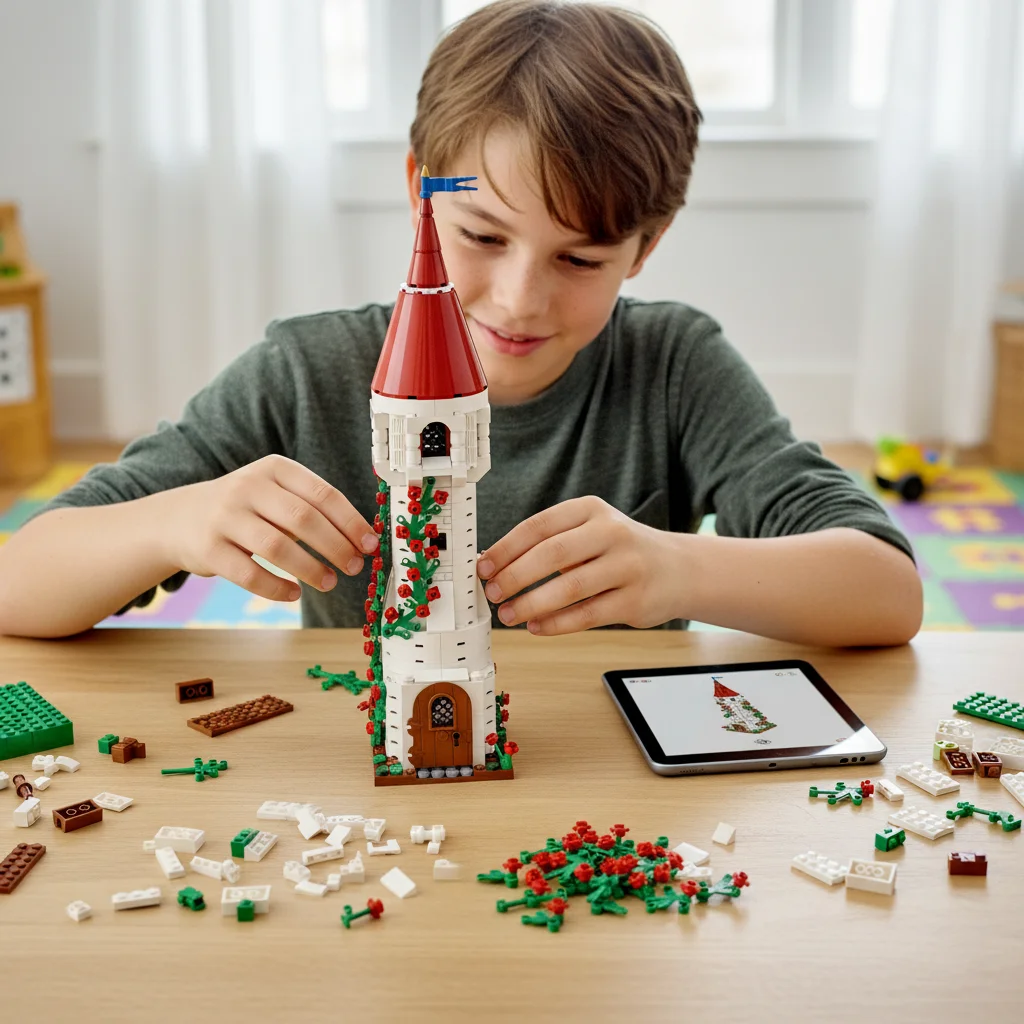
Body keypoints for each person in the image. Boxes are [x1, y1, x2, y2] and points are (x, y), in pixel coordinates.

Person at [0, 0, 921, 646]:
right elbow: (20, 583)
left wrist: (674, 571)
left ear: (645, 246)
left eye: (581, 258)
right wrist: (178, 518)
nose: (520, 298)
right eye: (483, 234)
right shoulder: (308, 371)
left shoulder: (673, 365)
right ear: (420, 196)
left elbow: (886, 591)